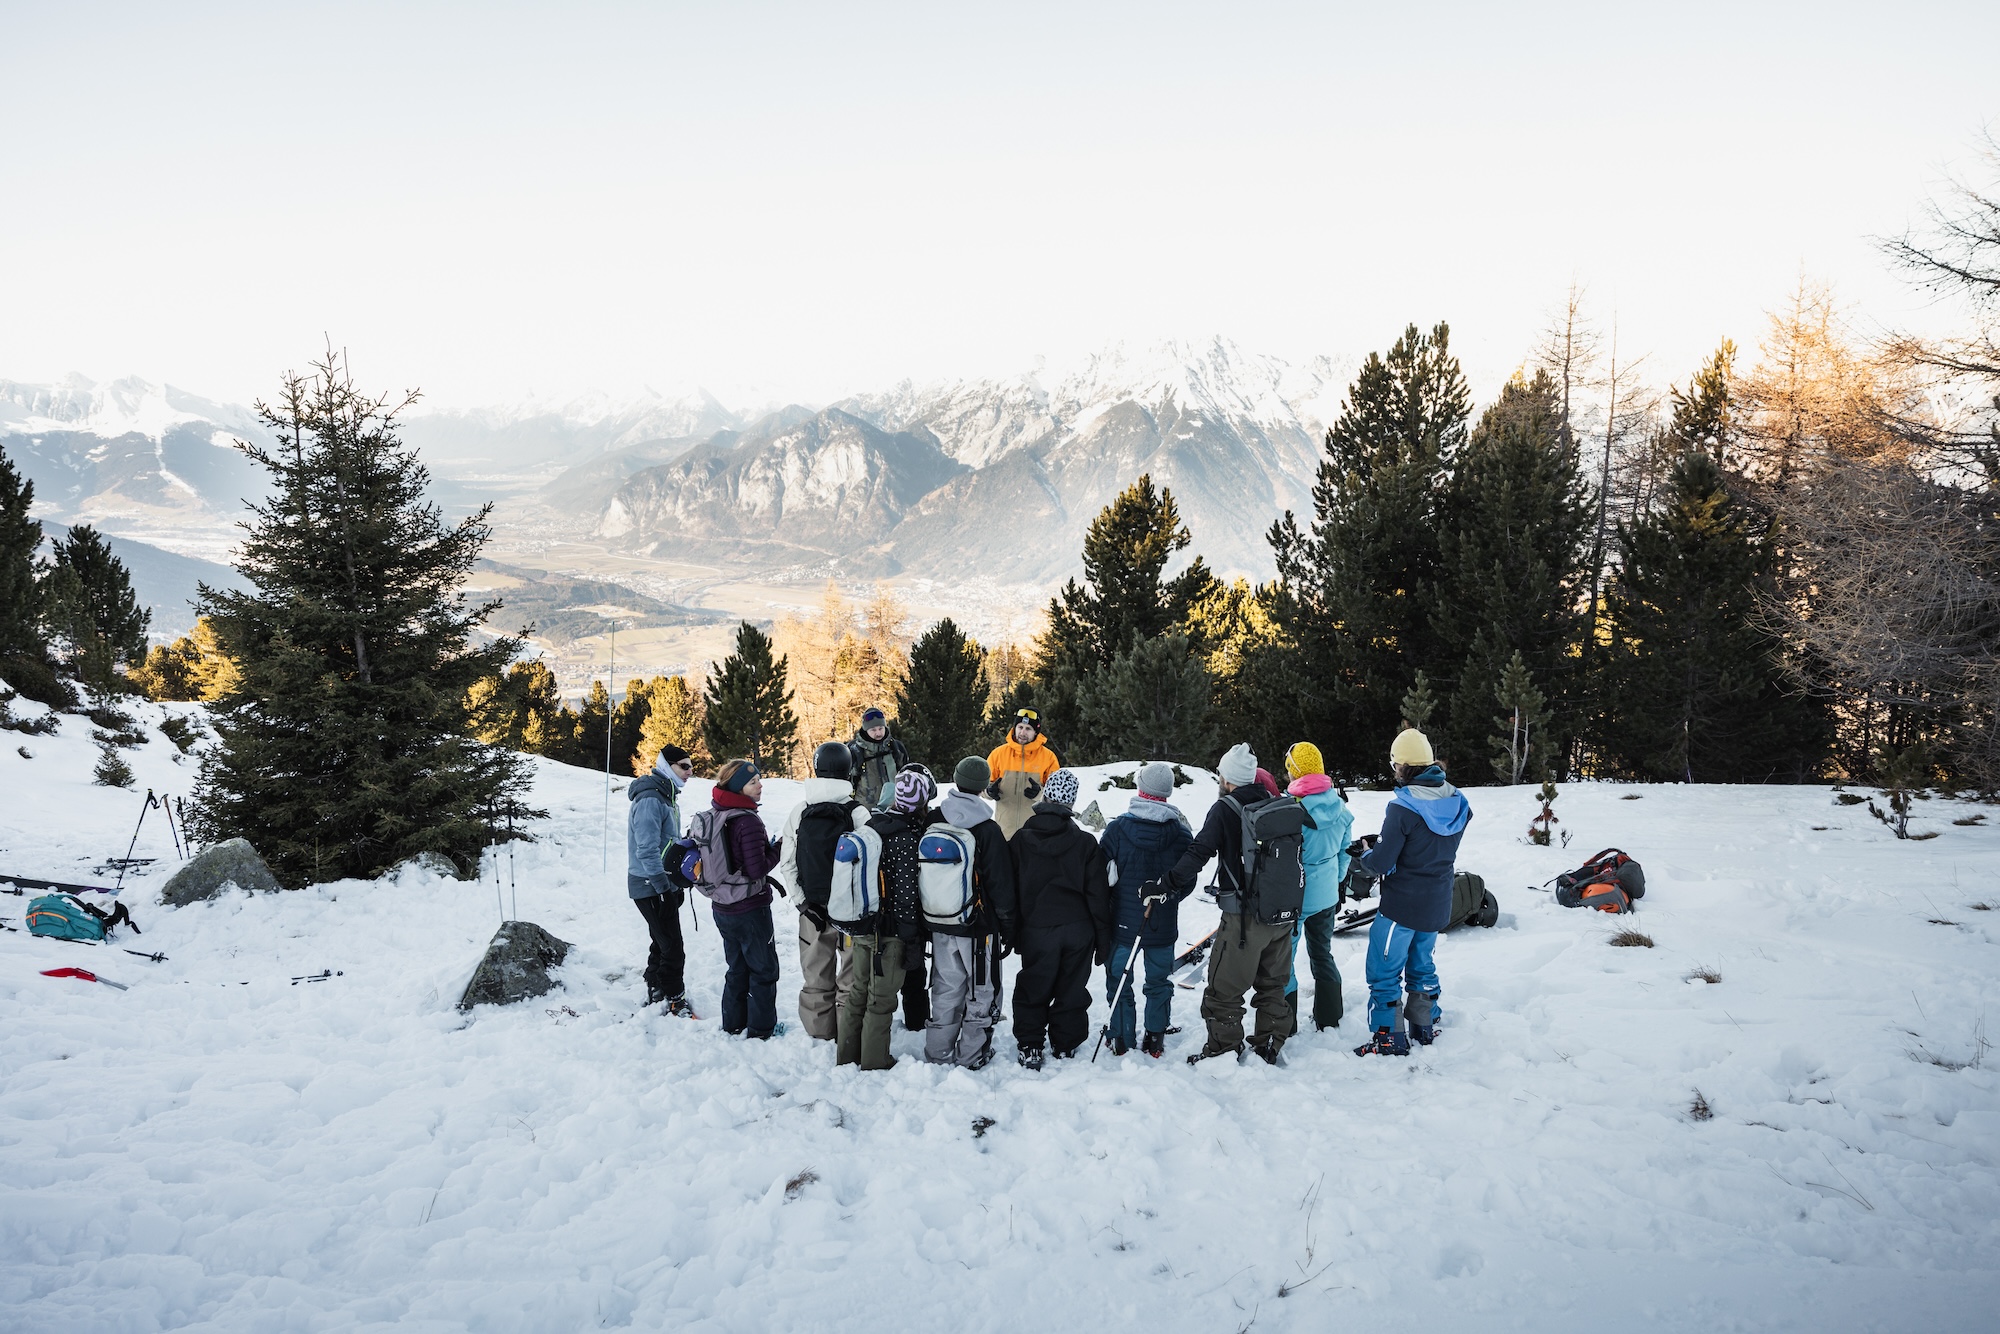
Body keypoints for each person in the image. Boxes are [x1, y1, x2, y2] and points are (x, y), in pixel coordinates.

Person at [1168, 742, 1295, 1065]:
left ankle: (1223, 1050)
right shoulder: (1272, 801)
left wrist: (1168, 881)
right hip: (1280, 914)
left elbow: (1199, 852)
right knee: (1272, 986)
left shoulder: (1225, 809)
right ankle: (1269, 1044)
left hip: (1243, 919)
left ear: (1227, 779)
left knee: (1223, 990)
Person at [1354, 728, 1471, 1056]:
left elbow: (1381, 862)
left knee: (1384, 969)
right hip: (1437, 903)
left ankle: (1388, 1037)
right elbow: (1428, 846)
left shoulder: (1402, 808)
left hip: (1401, 907)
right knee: (1422, 965)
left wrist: (1366, 854)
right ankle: (1424, 1025)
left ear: (1402, 766)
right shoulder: (1457, 802)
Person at [1007, 768, 1110, 1068]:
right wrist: (1103, 940)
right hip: (1079, 930)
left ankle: (1030, 1044)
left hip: (1038, 929)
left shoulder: (1021, 840)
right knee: (1071, 987)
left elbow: (1010, 892)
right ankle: (1065, 1043)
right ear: (1071, 803)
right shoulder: (1086, 844)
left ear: (1046, 796)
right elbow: (1097, 897)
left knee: (1034, 985)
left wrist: (1011, 932)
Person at [838, 767, 935, 1070]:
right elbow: (906, 895)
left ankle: (847, 1056)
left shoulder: (874, 826)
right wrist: (912, 938)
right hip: (890, 933)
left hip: (864, 925)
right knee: (881, 1000)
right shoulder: (906, 838)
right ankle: (875, 1061)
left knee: (858, 992)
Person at [926, 756, 1019, 1068]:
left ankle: (937, 1053)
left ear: (955, 779)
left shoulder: (934, 818)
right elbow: (1001, 884)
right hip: (979, 928)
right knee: (982, 990)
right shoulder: (988, 829)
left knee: (945, 987)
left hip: (940, 921)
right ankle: (971, 1054)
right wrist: (1007, 924)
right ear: (984, 787)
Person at [1097, 761, 1193, 1057]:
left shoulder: (1116, 830)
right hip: (1162, 925)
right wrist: (1170, 896)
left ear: (1141, 788)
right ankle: (1155, 1038)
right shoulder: (1180, 834)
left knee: (1119, 977)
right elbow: (1186, 880)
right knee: (1159, 981)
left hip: (1124, 924)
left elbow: (1104, 876)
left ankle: (1122, 1036)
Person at [773, 741, 866, 1040]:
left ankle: (819, 1033)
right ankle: (849, 1033)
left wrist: (802, 903)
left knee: (816, 975)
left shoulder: (800, 811)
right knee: (851, 977)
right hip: (850, 911)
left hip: (812, 909)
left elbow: (787, 862)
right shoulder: (858, 812)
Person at [688, 759, 784, 1039]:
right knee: (763, 969)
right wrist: (780, 847)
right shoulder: (746, 820)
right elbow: (757, 869)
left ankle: (734, 1024)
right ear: (738, 787)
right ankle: (762, 1030)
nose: (760, 786)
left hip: (722, 907)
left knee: (737, 967)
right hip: (750, 907)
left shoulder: (716, 813)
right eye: (753, 782)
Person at [1284, 742, 1354, 1033]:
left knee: (1283, 958)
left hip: (1296, 895)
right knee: (1322, 953)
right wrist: (1337, 882)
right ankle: (1329, 1015)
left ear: (1295, 772)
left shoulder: (1291, 809)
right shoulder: (1340, 807)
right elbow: (1345, 851)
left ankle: (1285, 1023)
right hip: (1325, 894)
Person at [626, 744, 694, 1016]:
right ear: (667, 766)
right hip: (649, 884)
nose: (690, 772)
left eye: (691, 766)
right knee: (673, 947)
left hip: (663, 883)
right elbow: (646, 849)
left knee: (661, 939)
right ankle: (675, 998)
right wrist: (663, 887)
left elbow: (666, 842)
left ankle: (655, 986)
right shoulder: (651, 799)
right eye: (684, 766)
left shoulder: (666, 796)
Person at [986, 708, 1062, 839]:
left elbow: (1056, 796)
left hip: (1035, 833)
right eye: (1020, 727)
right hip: (1004, 832)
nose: (1022, 732)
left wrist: (1039, 793)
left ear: (1036, 732)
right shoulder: (998, 754)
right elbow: (981, 787)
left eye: (1028, 729)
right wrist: (989, 791)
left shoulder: (1048, 757)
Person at [847, 707, 908, 811]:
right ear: (866, 730)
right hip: (865, 811)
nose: (878, 733)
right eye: (873, 730)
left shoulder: (896, 748)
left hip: (894, 808)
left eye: (881, 728)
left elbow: (907, 775)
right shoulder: (854, 751)